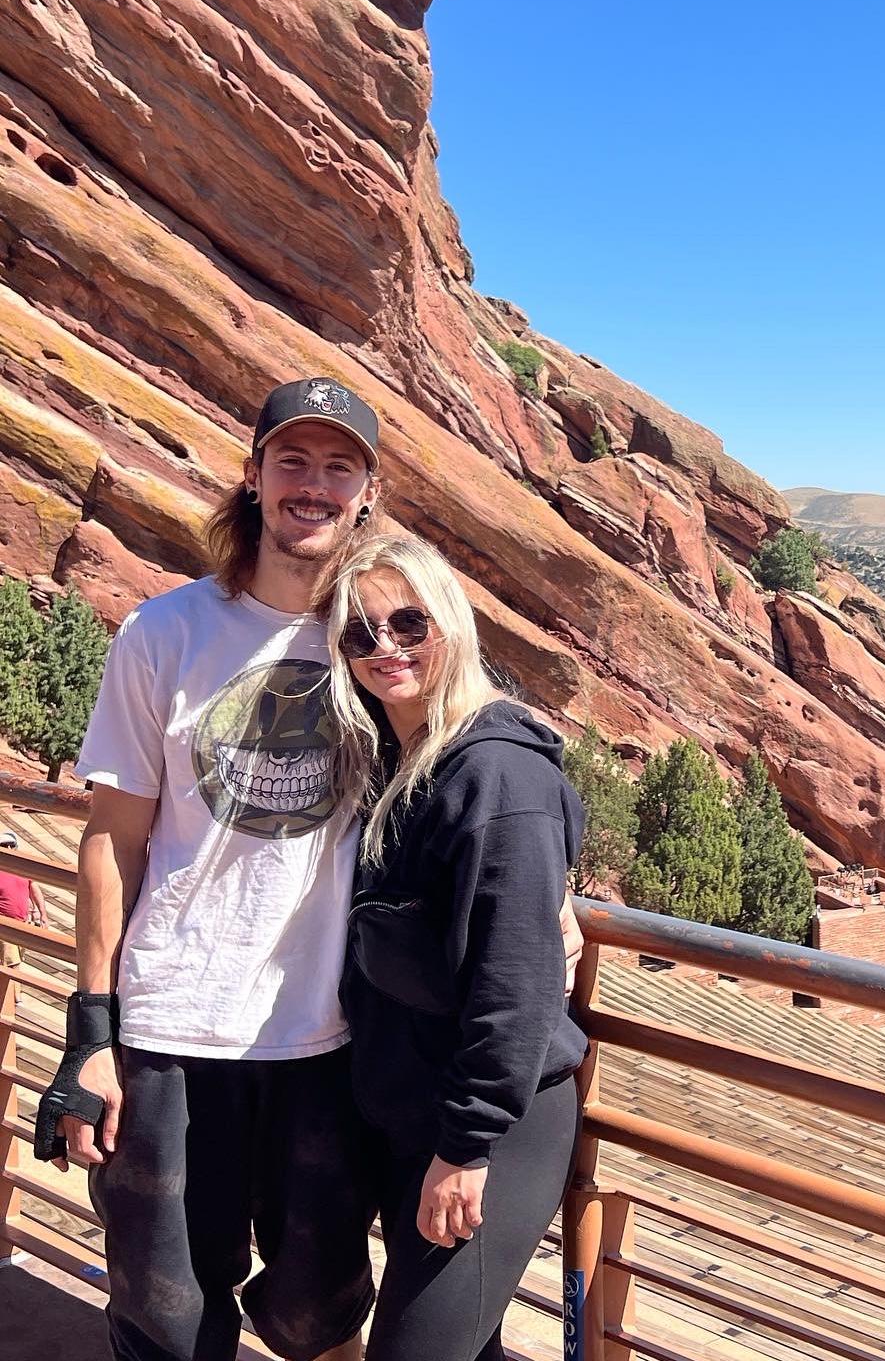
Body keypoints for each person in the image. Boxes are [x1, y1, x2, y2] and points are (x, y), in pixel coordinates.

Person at [31, 376, 583, 1361]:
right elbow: (112, 838)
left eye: (340, 467)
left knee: (317, 1318)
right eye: (292, 460)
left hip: (328, 1045)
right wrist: (91, 1036)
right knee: (166, 1320)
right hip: (170, 1032)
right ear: (254, 476)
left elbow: (468, 776)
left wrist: (551, 892)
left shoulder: (375, 643)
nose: (313, 485)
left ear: (367, 494)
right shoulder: (166, 634)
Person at [317, 532, 587, 1361]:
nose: (385, 647)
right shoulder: (393, 758)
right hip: (413, 1105)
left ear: (452, 624)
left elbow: (516, 985)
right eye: (359, 632)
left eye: (409, 623)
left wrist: (466, 1148)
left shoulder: (497, 777)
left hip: (490, 1126)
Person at [1, 831, 49, 969]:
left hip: (22, 923)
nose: (8, 848)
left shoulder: (22, 867)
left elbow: (33, 888)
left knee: (12, 964)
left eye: (11, 845)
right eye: (4, 845)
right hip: (5, 925)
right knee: (12, 965)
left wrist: (41, 913)